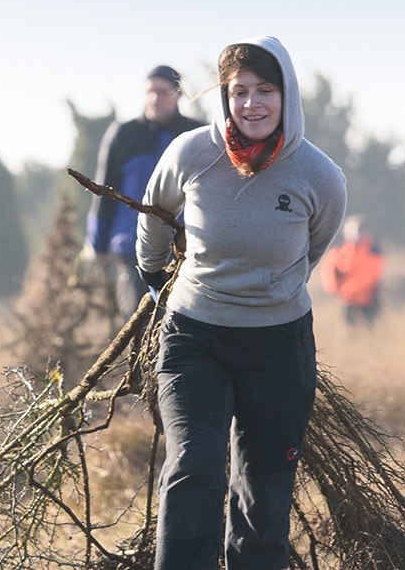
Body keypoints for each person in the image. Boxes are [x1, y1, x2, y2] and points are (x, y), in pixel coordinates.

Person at [136, 38, 346, 568]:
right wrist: (156, 277)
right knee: (193, 467)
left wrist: (268, 291)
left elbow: (309, 252)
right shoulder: (192, 153)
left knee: (264, 491)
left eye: (265, 91)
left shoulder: (320, 176)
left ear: (288, 95)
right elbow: (154, 214)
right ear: (224, 97)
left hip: (279, 346)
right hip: (195, 338)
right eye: (240, 92)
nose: (251, 104)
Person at [82, 65, 205, 317]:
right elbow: (104, 193)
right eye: (149, 92)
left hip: (188, 253)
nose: (154, 99)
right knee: (137, 324)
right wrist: (97, 247)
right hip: (132, 251)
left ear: (179, 94)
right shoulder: (124, 134)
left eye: (162, 92)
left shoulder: (198, 134)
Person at [320, 214, 385, 327]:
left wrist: (352, 290)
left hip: (369, 302)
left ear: (366, 232)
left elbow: (372, 276)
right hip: (347, 303)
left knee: (369, 335)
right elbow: (328, 273)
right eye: (353, 230)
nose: (357, 234)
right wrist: (335, 290)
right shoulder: (338, 251)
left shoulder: (374, 251)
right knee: (348, 335)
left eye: (360, 230)